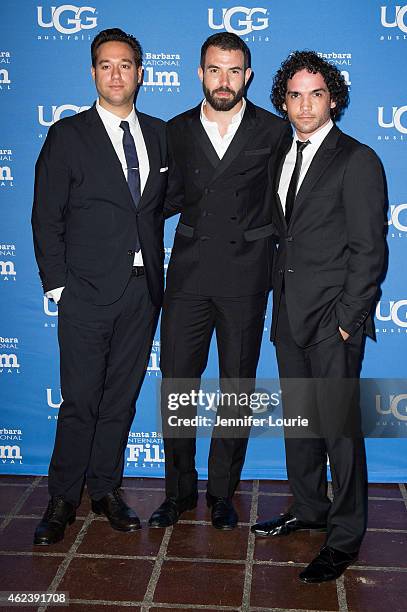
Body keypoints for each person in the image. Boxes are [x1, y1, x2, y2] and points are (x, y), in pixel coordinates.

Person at [251, 51, 386, 582]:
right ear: (283, 100)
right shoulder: (280, 153)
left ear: (333, 99)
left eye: (316, 94)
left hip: (334, 321)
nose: (305, 105)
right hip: (288, 317)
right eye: (295, 94)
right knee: (302, 426)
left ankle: (346, 536)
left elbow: (369, 251)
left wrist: (348, 320)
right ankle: (309, 508)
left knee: (340, 434)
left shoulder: (358, 159)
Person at [148, 32, 290, 530]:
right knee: (178, 387)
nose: (224, 80)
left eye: (233, 70)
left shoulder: (274, 132)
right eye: (214, 69)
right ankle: (178, 492)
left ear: (247, 75)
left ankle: (222, 492)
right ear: (199, 73)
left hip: (246, 278)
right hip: (186, 275)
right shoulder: (175, 130)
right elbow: (156, 202)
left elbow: (287, 202)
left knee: (236, 388)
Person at [31, 28, 167, 545]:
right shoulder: (68, 136)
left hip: (141, 292)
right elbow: (46, 216)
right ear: (93, 73)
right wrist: (60, 287)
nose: (116, 74)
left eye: (126, 64)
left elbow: (159, 206)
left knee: (121, 399)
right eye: (106, 65)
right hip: (85, 292)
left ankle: (106, 488)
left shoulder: (157, 134)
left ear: (139, 73)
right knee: (81, 400)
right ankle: (64, 497)